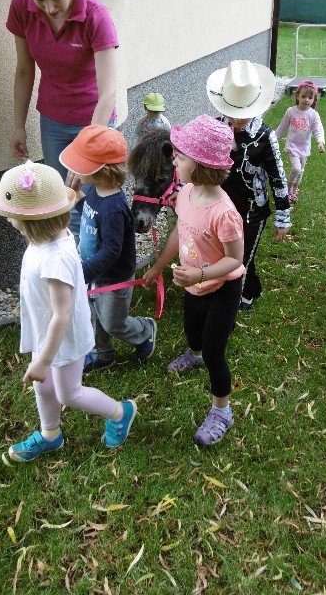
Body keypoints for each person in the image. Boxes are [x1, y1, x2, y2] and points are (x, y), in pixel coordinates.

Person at [0, 161, 137, 461]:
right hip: (47, 331)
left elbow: (62, 314)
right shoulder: (48, 237)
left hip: (64, 338)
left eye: (11, 215)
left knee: (70, 393)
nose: (9, 220)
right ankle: (50, 434)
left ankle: (120, 412)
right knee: (44, 388)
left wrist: (43, 360)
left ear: (30, 221)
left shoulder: (54, 259)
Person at [7, 0, 119, 236]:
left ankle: (106, 263)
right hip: (53, 122)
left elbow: (108, 92)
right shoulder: (21, 8)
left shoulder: (96, 15)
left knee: (96, 206)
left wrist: (86, 149)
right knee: (63, 203)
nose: (49, 7)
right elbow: (24, 70)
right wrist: (18, 126)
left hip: (95, 121)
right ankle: (73, 264)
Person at [144, 116, 244, 446]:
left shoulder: (224, 213)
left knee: (215, 351)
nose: (174, 161)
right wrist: (159, 266)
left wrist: (199, 273)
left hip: (222, 287)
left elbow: (235, 259)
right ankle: (194, 353)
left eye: (180, 157)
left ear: (201, 166)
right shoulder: (186, 193)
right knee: (192, 329)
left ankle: (222, 411)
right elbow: (179, 232)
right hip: (193, 284)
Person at [59, 125, 157, 372]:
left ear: (101, 170)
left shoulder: (113, 208)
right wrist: (77, 194)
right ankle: (102, 354)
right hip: (95, 272)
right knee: (93, 315)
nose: (75, 170)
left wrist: (83, 272)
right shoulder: (96, 192)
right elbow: (91, 216)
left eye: (81, 165)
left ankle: (144, 331)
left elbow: (111, 251)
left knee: (113, 322)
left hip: (113, 278)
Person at [207, 59, 291, 312]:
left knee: (241, 256)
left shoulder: (265, 136)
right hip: (221, 205)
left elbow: (277, 176)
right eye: (232, 111)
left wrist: (283, 215)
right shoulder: (215, 127)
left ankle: (232, 302)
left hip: (252, 209)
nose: (237, 119)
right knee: (227, 251)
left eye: (244, 113)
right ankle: (251, 288)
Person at [275, 80, 325, 202]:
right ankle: (287, 189)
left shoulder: (313, 115)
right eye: (303, 96)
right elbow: (282, 127)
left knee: (301, 171)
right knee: (296, 168)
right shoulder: (291, 111)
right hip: (292, 146)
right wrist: (274, 140)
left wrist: (320, 141)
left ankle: (294, 190)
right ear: (297, 96)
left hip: (304, 147)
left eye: (310, 98)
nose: (306, 100)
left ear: (314, 99)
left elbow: (318, 129)